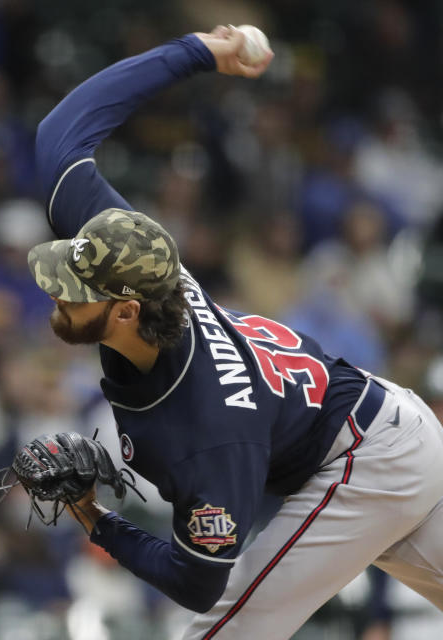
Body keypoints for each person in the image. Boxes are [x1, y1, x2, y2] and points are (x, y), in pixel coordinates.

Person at [25, 26, 443, 638]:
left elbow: (199, 584)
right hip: (387, 435)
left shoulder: (208, 425)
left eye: (76, 290)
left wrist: (93, 517)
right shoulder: (137, 259)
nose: (57, 289)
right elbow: (59, 133)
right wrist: (196, 51)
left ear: (125, 312)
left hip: (364, 463)